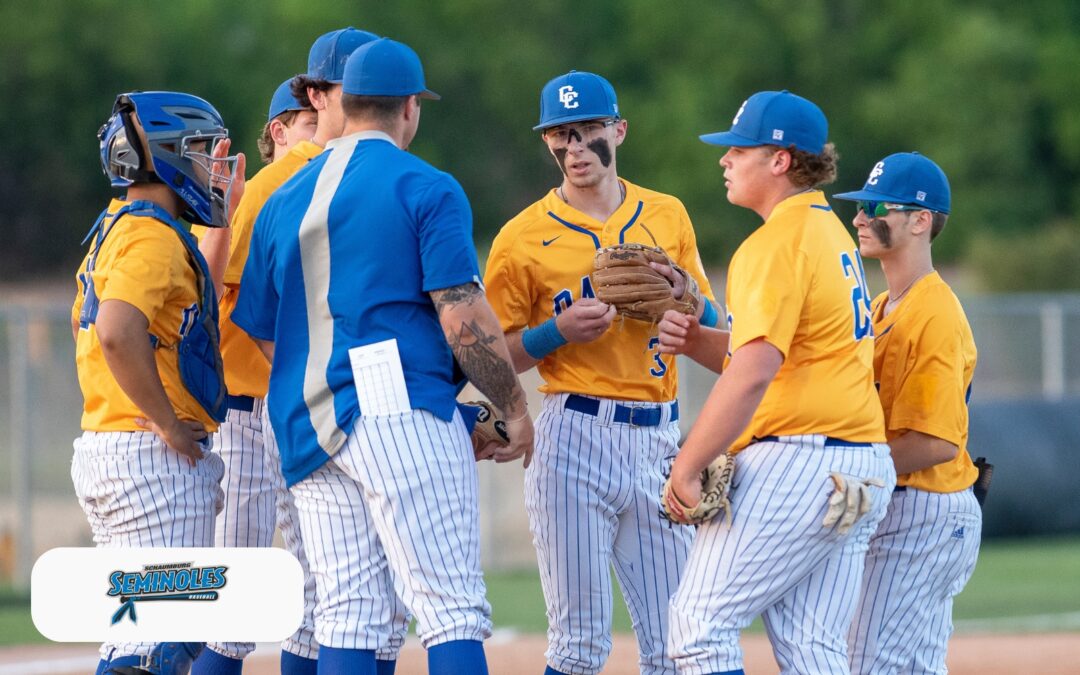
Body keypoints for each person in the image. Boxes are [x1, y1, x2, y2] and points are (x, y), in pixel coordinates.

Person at [231, 37, 533, 675]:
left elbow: (261, 330)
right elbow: (460, 315)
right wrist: (510, 403)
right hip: (397, 403)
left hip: (304, 419)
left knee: (347, 614)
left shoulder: (282, 197)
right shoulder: (426, 185)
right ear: (409, 109)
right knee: (450, 607)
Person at [483, 70, 719, 675]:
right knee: (579, 645)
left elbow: (718, 319)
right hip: (574, 436)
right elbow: (487, 355)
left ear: (619, 129)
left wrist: (686, 298)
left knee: (676, 642)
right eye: (560, 134)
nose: (574, 147)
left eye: (587, 130)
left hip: (659, 437)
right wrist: (552, 334)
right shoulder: (521, 237)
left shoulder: (666, 215)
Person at [664, 90, 895, 675]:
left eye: (739, 149)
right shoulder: (828, 233)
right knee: (812, 649)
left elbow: (755, 371)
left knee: (697, 629)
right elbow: (780, 354)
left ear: (780, 160)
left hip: (802, 464)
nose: (725, 159)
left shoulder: (774, 243)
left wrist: (689, 463)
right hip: (860, 465)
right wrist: (696, 340)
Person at [72, 91, 244, 675]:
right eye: (198, 151)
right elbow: (118, 331)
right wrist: (169, 422)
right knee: (164, 641)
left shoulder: (119, 229)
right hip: (149, 454)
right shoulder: (151, 236)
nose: (210, 166)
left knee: (134, 635)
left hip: (111, 443)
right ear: (166, 156)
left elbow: (173, 309)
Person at [832, 152, 982, 674]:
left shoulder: (935, 314)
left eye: (874, 207)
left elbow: (936, 441)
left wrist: (848, 469)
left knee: (867, 665)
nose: (858, 218)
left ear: (920, 220)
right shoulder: (881, 307)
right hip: (910, 505)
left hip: (926, 508)